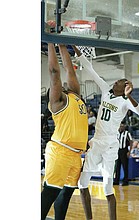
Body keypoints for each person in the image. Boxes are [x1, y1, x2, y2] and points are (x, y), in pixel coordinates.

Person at [73, 45, 139, 220]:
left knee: (107, 188)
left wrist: (129, 96)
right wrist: (73, 46)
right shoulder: (106, 90)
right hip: (97, 141)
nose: (116, 82)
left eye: (120, 81)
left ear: (125, 87)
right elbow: (90, 69)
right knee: (82, 183)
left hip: (111, 144)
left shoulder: (125, 101)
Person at [41, 21, 88, 220]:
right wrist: (51, 41)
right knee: (50, 193)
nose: (63, 84)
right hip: (60, 151)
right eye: (58, 86)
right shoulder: (59, 102)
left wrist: (62, 43)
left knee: (66, 194)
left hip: (76, 155)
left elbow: (70, 70)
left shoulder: (76, 94)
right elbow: (55, 73)